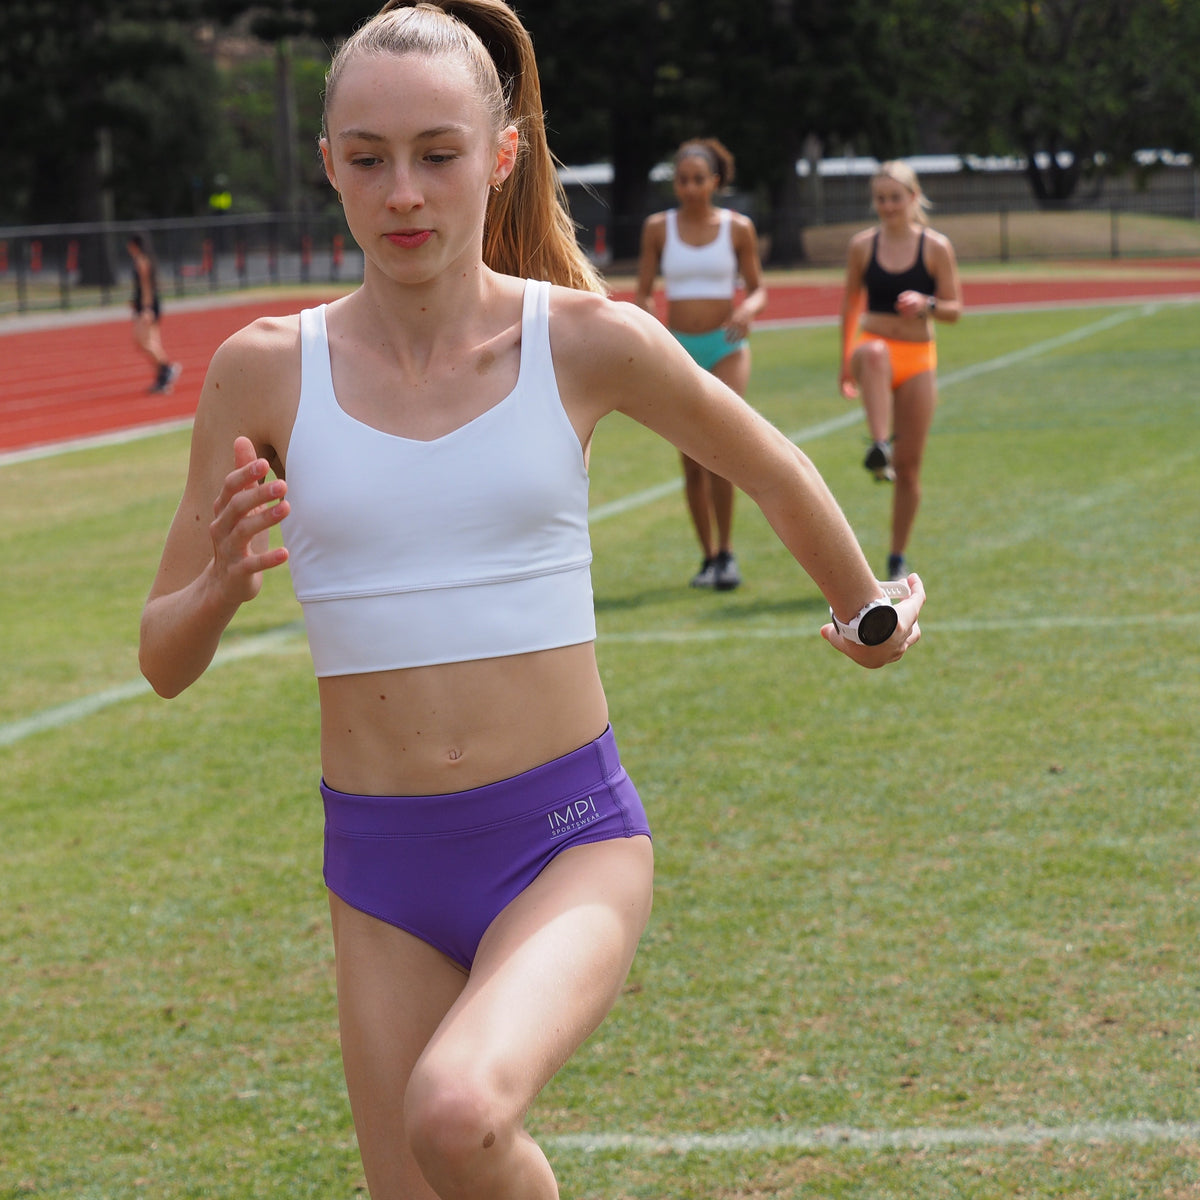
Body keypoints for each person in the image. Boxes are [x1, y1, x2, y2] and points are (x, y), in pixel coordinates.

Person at [138, 4, 925, 1197]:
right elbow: (160, 655)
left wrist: (868, 613)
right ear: (329, 169)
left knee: (456, 1115)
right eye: (368, 159)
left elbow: (770, 464)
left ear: (499, 157)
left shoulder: (582, 340)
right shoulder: (262, 370)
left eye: (439, 155)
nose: (404, 191)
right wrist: (216, 585)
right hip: (380, 868)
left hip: (565, 845)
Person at [635, 138, 767, 590]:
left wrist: (747, 309)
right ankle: (707, 557)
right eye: (682, 179)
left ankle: (728, 553)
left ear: (715, 181)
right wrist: (649, 318)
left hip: (726, 346)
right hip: (678, 349)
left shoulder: (737, 228)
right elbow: (644, 291)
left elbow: (757, 288)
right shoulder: (658, 227)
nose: (689, 188)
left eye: (698, 179)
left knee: (721, 451)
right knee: (691, 458)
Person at [838, 160, 961, 581]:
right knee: (872, 353)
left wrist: (925, 304)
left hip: (917, 355)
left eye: (895, 197)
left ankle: (896, 557)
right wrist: (843, 365)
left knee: (910, 469)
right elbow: (851, 304)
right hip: (873, 348)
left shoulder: (935, 247)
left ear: (912, 198)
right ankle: (878, 444)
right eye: (880, 199)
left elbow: (954, 309)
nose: (887, 206)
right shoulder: (862, 246)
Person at [126, 233, 181, 395]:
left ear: (134, 245)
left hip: (147, 307)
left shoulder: (142, 261)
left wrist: (146, 308)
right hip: (146, 305)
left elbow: (146, 286)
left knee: (143, 341)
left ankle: (167, 370)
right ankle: (162, 377)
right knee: (150, 342)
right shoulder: (145, 259)